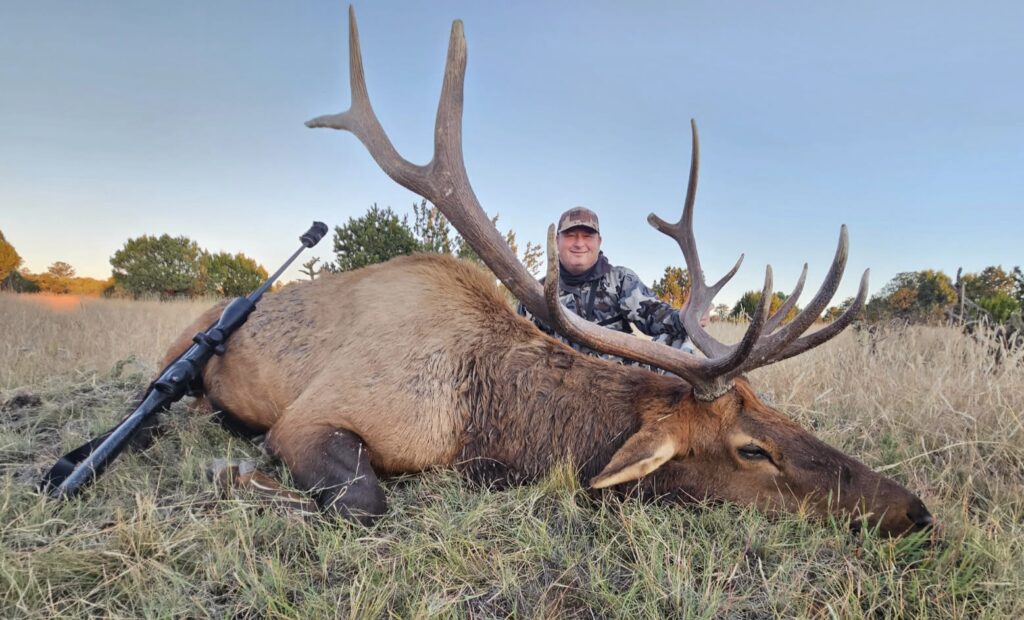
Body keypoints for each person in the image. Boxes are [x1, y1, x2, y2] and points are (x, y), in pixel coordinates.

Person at [517, 206, 705, 364]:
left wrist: (682, 318)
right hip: (561, 384)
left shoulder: (620, 279)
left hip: (622, 381)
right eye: (570, 235)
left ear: (599, 241)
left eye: (587, 236)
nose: (579, 243)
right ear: (557, 241)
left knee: (680, 340)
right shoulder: (536, 292)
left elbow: (653, 314)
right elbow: (520, 348)